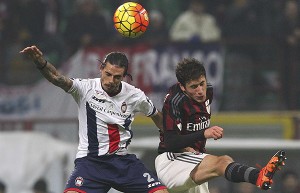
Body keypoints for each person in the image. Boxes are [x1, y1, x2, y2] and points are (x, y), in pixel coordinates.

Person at [20, 45, 169, 193]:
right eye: (108, 74)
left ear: (124, 77)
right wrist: (41, 62)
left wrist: (172, 140)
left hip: (122, 162)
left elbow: (156, 115)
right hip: (91, 163)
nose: (111, 80)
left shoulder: (135, 95)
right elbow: (57, 78)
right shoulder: (85, 88)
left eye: (117, 77)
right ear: (101, 69)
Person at [154, 58, 286, 193]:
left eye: (202, 83)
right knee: (222, 162)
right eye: (194, 86)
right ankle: (258, 176)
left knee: (224, 161)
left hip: (195, 160)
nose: (200, 90)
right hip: (172, 161)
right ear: (182, 87)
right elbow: (170, 142)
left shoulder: (209, 91)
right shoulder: (174, 101)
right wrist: (204, 133)